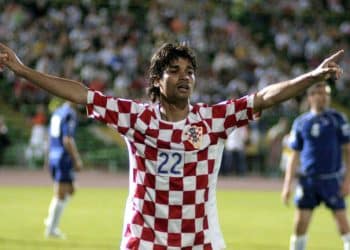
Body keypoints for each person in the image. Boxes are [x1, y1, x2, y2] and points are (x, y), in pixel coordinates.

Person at [0, 42, 344, 249]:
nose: (185, 76)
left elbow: (263, 98)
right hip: (144, 240)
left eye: (190, 71)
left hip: (199, 240)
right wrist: (22, 70)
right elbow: (81, 93)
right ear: (156, 80)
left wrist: (311, 77)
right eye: (175, 70)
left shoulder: (212, 119)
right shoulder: (136, 118)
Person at [281, 82, 350, 250]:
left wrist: (348, 181)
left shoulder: (338, 119)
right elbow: (294, 155)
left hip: (332, 180)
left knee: (343, 225)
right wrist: (287, 184)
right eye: (319, 93)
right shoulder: (301, 122)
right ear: (310, 97)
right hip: (308, 181)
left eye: (326, 94)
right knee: (300, 225)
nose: (324, 97)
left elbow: (348, 150)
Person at [44, 101, 83, 238]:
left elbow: (49, 137)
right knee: (60, 193)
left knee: (71, 190)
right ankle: (51, 228)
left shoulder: (57, 112)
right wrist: (76, 158)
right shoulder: (69, 114)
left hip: (54, 155)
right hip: (63, 157)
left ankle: (51, 221)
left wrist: (47, 156)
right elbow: (67, 140)